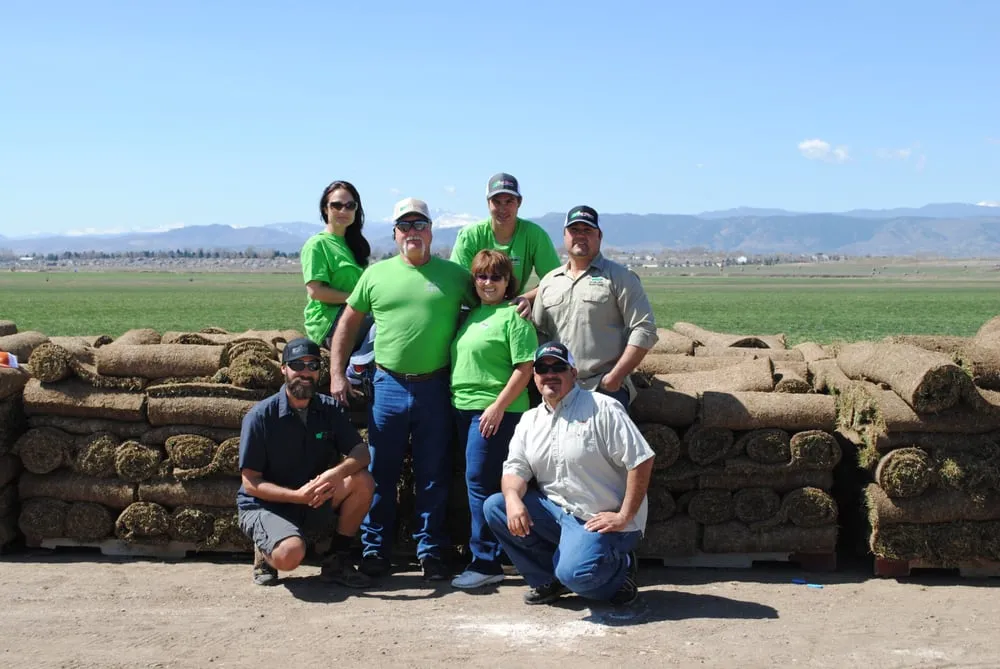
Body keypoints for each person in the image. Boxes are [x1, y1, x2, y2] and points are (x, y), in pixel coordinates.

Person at [329, 197, 476, 581]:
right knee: (381, 471)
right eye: (404, 226)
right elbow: (347, 323)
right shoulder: (376, 276)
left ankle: (431, 550)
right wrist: (337, 374)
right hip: (388, 385)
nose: (412, 232)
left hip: (436, 386)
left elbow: (488, 307)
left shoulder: (455, 276)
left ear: (431, 231)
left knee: (433, 473)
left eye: (419, 224)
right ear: (395, 234)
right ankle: (375, 548)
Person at [483, 341, 655, 607]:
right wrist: (513, 499)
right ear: (535, 377)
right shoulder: (530, 420)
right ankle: (549, 580)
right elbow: (515, 469)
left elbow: (641, 460)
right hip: (558, 515)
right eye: (542, 368)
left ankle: (619, 571)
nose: (550, 373)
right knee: (497, 506)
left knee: (578, 575)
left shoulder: (603, 408)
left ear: (573, 373)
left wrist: (625, 515)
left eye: (558, 367)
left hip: (600, 520)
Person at [237, 337, 375, 587]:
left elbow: (361, 453)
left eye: (312, 366)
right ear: (283, 369)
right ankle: (266, 551)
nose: (305, 372)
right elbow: (250, 483)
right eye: (297, 365)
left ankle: (337, 560)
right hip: (269, 505)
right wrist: (297, 496)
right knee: (290, 555)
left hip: (313, 497)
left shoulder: (330, 410)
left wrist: (334, 475)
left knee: (362, 480)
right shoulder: (260, 417)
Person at [449, 249, 538, 589]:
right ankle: (497, 554)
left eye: (495, 277)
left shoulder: (513, 317)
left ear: (507, 283)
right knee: (478, 481)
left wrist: (498, 406)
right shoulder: (472, 315)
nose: (488, 283)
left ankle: (485, 561)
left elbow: (524, 367)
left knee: (480, 483)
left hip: (495, 412)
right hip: (465, 408)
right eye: (482, 277)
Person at [532, 205, 658, 407]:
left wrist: (615, 377)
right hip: (557, 389)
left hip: (602, 388)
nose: (580, 236)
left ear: (599, 236)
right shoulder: (549, 281)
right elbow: (538, 333)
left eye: (587, 230)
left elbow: (644, 329)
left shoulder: (620, 277)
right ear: (564, 235)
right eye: (574, 230)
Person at [450, 173, 562, 318]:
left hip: (514, 311)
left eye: (509, 201)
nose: (503, 208)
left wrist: (525, 299)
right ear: (488, 203)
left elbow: (554, 280)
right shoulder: (470, 235)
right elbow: (457, 282)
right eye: (497, 202)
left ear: (519, 202)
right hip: (473, 312)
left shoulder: (535, 235)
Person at [301, 180, 372, 348]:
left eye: (350, 205)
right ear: (325, 209)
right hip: (329, 323)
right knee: (385, 326)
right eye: (336, 205)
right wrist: (356, 300)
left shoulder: (355, 245)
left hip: (355, 313)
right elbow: (315, 291)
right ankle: (356, 370)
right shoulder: (317, 245)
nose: (343, 210)